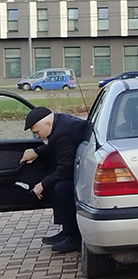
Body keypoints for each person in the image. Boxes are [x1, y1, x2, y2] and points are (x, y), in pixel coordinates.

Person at [19, 106, 89, 253]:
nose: (37, 137)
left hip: (85, 175)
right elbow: (56, 147)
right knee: (55, 183)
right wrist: (37, 152)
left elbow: (65, 170)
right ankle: (66, 231)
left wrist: (42, 184)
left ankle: (75, 237)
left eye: (37, 132)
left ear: (48, 124)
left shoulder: (64, 133)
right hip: (80, 168)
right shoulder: (59, 122)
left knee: (61, 187)